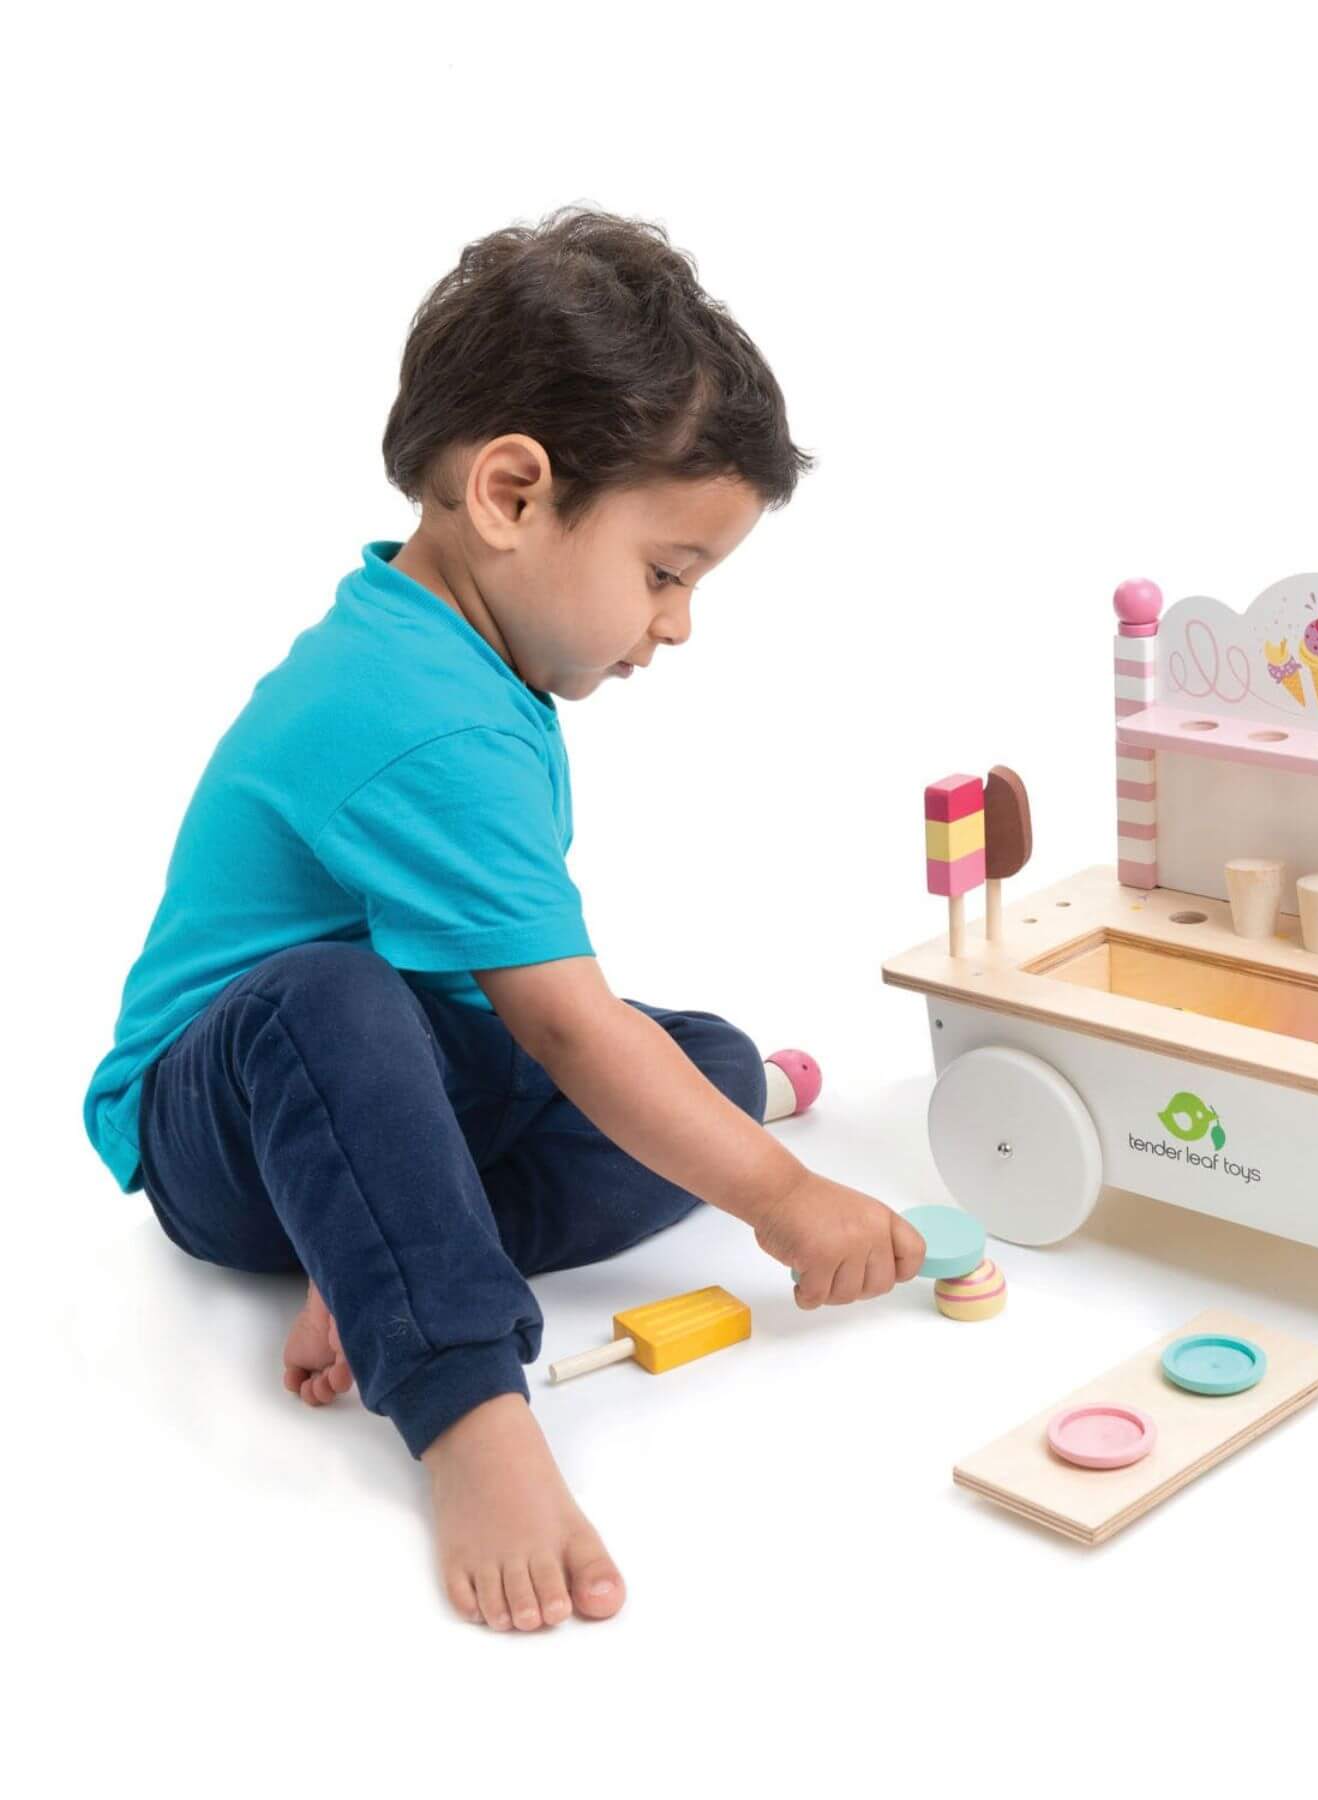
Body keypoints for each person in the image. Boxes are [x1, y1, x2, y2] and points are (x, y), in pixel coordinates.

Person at [81, 206, 924, 1631]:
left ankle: (384, 1251)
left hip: (396, 1079)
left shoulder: (469, 662)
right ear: (514, 495)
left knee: (705, 1063)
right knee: (343, 1000)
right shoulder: (415, 712)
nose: (677, 627)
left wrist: (732, 1133)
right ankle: (464, 1397)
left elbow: (536, 1019)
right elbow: (564, 1030)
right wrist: (783, 1198)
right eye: (667, 572)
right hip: (217, 1119)